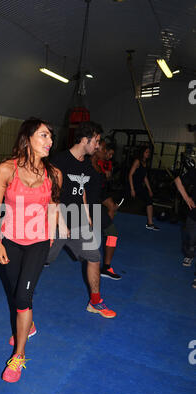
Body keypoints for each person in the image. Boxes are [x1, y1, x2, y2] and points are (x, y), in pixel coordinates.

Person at [0, 117, 62, 383]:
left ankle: (18, 356)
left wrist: (51, 235)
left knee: (23, 298)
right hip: (9, 240)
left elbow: (53, 206)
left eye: (51, 137)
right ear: (28, 138)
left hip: (38, 242)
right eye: (44, 136)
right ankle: (28, 325)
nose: (50, 142)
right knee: (14, 290)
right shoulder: (6, 170)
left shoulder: (54, 174)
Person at [46, 121, 117, 318]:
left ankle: (95, 302)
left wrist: (88, 219)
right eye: (96, 141)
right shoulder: (59, 160)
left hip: (78, 222)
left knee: (94, 257)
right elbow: (50, 195)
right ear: (85, 140)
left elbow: (83, 192)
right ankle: (23, 300)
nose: (97, 145)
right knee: (40, 260)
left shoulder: (87, 164)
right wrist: (60, 223)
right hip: (57, 221)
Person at [88, 141, 121, 280]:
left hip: (96, 205)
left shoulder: (98, 166)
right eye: (104, 149)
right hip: (87, 206)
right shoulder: (86, 165)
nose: (106, 153)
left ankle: (106, 267)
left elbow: (99, 190)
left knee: (111, 233)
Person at [174, 161, 196, 289]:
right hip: (194, 214)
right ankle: (189, 254)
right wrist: (187, 198)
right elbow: (178, 180)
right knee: (190, 239)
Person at [128, 145, 160, 230]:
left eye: (149, 152)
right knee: (118, 204)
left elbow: (145, 177)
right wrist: (132, 189)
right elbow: (130, 175)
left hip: (139, 186)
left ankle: (150, 223)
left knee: (149, 200)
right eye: (146, 152)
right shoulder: (137, 161)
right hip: (131, 186)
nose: (148, 154)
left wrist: (149, 190)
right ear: (142, 153)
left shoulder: (145, 163)